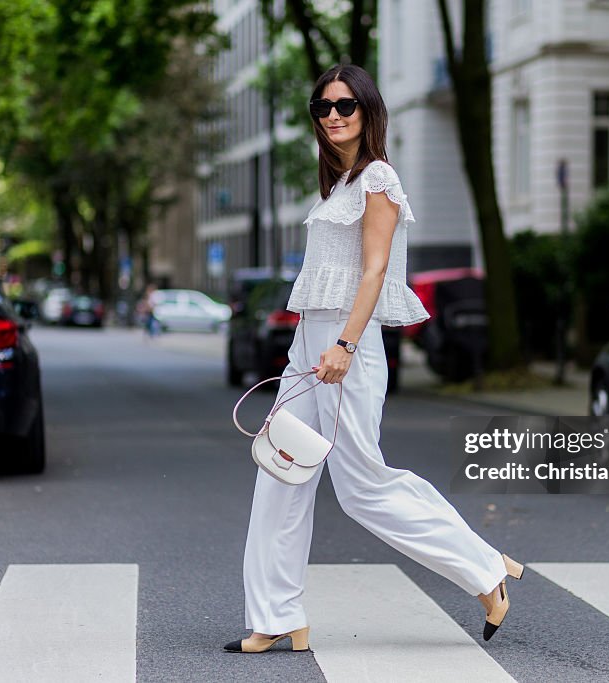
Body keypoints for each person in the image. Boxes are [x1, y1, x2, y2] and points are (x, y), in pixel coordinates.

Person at [223, 64, 524, 655]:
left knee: (361, 486)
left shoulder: (378, 180)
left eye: (344, 106)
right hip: (310, 348)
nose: (332, 115)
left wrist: (344, 345)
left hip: (346, 349)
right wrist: (305, 351)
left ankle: (485, 567)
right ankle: (276, 614)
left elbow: (375, 270)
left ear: (368, 112)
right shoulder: (335, 185)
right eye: (322, 107)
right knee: (280, 472)